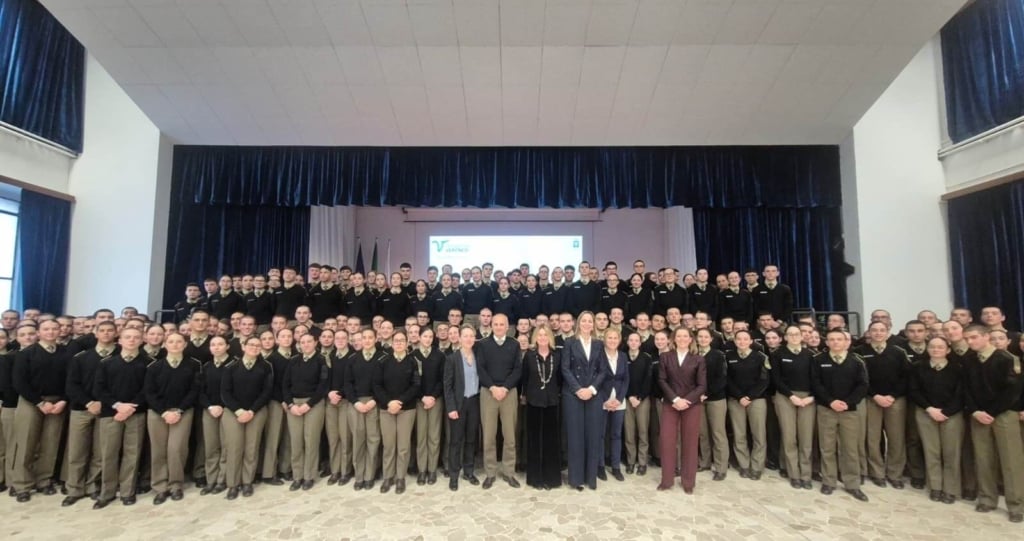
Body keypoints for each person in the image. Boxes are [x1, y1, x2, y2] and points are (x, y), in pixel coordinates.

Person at [962, 325, 1024, 522]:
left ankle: (1016, 504)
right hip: (979, 415)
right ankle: (987, 498)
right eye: (967, 338)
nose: (970, 342)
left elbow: (1012, 391)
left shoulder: (1006, 358)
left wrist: (991, 412)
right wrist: (975, 411)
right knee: (983, 457)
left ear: (986, 337)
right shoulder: (968, 359)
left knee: (1011, 460)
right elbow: (966, 389)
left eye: (973, 338)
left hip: (1003, 414)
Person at [11, 319, 70, 502]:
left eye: (54, 329)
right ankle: (22, 484)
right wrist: (39, 402)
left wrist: (63, 400)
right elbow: (19, 382)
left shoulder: (66, 353)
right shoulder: (27, 354)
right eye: (46, 329)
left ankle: (44, 481)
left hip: (57, 403)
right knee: (26, 444)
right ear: (38, 332)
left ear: (59, 331)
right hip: (32, 402)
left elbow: (71, 380)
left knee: (50, 444)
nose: (50, 332)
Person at [92, 327, 149, 508]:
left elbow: (147, 390)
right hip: (111, 414)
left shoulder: (148, 363)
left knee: (132, 454)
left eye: (136, 337)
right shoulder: (107, 363)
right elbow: (100, 389)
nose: (132, 340)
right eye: (128, 337)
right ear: (120, 340)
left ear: (142, 340)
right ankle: (106, 492)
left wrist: (130, 408)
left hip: (136, 413)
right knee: (108, 453)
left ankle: (127, 491)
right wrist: (118, 406)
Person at [61, 321, 116, 506]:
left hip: (107, 410)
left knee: (100, 452)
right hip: (81, 409)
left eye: (110, 330)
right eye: (102, 330)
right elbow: (71, 385)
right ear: (95, 333)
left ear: (116, 333)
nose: (106, 334)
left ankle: (92, 485)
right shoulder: (81, 357)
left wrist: (104, 402)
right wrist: (89, 402)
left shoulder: (119, 356)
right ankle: (75, 488)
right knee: (77, 451)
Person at [812, 329, 870, 502]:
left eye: (839, 339)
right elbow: (816, 383)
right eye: (832, 339)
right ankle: (829, 481)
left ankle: (852, 483)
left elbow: (863, 385)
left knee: (850, 448)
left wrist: (847, 402)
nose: (836, 342)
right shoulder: (818, 360)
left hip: (849, 411)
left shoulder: (857, 361)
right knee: (827, 447)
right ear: (827, 342)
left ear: (847, 342)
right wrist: (830, 402)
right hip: (826, 409)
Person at [854, 321, 913, 489]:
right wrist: (875, 395)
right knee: (872, 438)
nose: (878, 333)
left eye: (882, 330)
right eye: (874, 330)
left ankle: (895, 474)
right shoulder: (859, 352)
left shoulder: (898, 352)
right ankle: (876, 472)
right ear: (869, 332)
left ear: (888, 332)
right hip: (871, 399)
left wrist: (892, 396)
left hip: (895, 400)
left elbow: (906, 377)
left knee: (896, 438)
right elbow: (860, 379)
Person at [145, 332, 202, 505]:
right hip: (158, 413)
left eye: (179, 342)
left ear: (185, 345)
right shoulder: (154, 366)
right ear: (165, 344)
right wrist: (164, 412)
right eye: (171, 341)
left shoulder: (193, 365)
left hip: (182, 412)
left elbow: (194, 390)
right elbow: (149, 392)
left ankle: (176, 484)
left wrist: (179, 410)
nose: (175, 344)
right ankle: (160, 487)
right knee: (159, 450)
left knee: (176, 449)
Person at [909, 336, 964, 504]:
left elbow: (961, 393)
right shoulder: (918, 367)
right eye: (932, 346)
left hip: (952, 415)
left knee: (951, 452)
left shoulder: (958, 368)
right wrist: (930, 409)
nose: (936, 350)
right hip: (926, 412)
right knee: (931, 451)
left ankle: (950, 489)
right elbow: (914, 390)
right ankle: (935, 486)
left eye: (940, 347)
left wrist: (946, 412)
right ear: (927, 349)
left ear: (948, 350)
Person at [220, 337, 273, 499]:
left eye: (258, 345)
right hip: (233, 412)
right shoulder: (231, 367)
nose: (254, 348)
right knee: (234, 448)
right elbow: (225, 392)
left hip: (256, 411)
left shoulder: (265, 367)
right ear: (243, 346)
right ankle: (233, 484)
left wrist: (251, 411)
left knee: (252, 447)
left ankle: (247, 481)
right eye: (251, 345)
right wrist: (238, 411)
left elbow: (266, 391)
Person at [562, 312, 608, 491]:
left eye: (590, 321)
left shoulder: (598, 344)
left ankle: (591, 477)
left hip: (593, 395)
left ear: (594, 324)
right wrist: (578, 389)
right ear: (578, 323)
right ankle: (576, 479)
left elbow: (603, 371)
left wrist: (591, 389)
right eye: (584, 321)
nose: (587, 324)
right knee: (575, 437)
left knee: (593, 435)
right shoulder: (569, 343)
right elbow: (565, 369)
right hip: (573, 394)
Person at [475, 313, 522, 489]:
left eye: (502, 324)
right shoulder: (483, 345)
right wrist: (493, 388)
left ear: (508, 326)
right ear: (491, 325)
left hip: (508, 393)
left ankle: (509, 472)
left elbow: (518, 369)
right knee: (488, 436)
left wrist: (505, 388)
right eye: (496, 324)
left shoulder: (514, 344)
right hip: (489, 393)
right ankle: (490, 473)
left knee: (509, 436)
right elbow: (480, 369)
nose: (499, 327)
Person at [657, 327, 706, 493]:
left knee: (690, 442)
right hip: (671, 403)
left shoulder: (698, 359)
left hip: (691, 405)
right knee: (667, 441)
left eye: (686, 336)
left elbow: (702, 385)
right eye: (679, 336)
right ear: (673, 339)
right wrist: (676, 399)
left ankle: (688, 482)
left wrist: (687, 400)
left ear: (691, 339)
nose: (682, 338)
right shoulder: (665, 357)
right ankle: (667, 480)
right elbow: (662, 380)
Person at [772, 325, 816, 490]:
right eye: (790, 334)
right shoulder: (778, 354)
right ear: (785, 337)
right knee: (789, 437)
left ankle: (806, 474)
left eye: (797, 334)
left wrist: (810, 397)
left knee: (806, 438)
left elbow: (816, 379)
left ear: (802, 336)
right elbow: (776, 379)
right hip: (786, 397)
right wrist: (791, 396)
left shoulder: (811, 355)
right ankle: (794, 474)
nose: (794, 337)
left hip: (807, 399)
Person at [282, 333, 329, 491]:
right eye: (303, 342)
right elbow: (285, 385)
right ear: (299, 344)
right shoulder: (294, 361)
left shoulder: (321, 360)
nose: (306, 344)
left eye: (310, 341)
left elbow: (323, 385)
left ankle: (309, 476)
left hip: (313, 404)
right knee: (296, 442)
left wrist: (309, 404)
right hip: (294, 405)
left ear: (316, 342)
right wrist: (290, 404)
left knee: (311, 441)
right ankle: (297, 476)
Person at [375, 331, 419, 494]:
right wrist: (389, 402)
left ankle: (400, 477)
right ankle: (388, 477)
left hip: (406, 409)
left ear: (407, 343)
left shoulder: (413, 362)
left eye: (402, 340)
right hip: (386, 409)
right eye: (396, 341)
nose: (399, 343)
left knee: (403, 446)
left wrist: (400, 402)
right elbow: (377, 385)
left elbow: (416, 385)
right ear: (392, 343)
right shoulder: (383, 361)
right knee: (388, 445)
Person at [726, 330, 770, 480]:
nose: (742, 342)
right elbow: (727, 379)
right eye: (739, 339)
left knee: (758, 434)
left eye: (745, 339)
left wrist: (750, 396)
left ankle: (757, 466)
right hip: (735, 400)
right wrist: (739, 397)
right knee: (739, 434)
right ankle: (743, 465)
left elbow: (764, 380)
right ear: (735, 340)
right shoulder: (728, 357)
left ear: (751, 341)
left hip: (756, 400)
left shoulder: (760, 357)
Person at [522, 325, 561, 490]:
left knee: (551, 441)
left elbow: (560, 379)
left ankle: (551, 478)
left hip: (552, 402)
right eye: (540, 335)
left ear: (550, 337)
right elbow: (524, 378)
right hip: (534, 402)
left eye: (546, 335)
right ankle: (535, 478)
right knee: (534, 440)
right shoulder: (529, 357)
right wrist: (525, 395)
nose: (543, 337)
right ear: (535, 337)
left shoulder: (557, 356)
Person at [346, 329, 385, 491]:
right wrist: (355, 402)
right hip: (356, 404)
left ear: (376, 339)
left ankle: (370, 474)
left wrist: (374, 401)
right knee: (358, 440)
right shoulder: (353, 359)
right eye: (364, 338)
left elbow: (385, 383)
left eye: (370, 337)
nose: (367, 340)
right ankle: (359, 475)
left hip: (374, 402)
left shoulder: (382, 358)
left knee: (373, 439)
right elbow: (347, 384)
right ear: (359, 340)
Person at [444, 326, 482, 491]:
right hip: (459, 404)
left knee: (471, 439)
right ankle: (454, 475)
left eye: (471, 336)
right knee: (456, 440)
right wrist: (451, 407)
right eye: (465, 336)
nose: (468, 339)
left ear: (474, 338)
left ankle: (468, 471)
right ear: (459, 338)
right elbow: (448, 386)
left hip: (474, 402)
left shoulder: (478, 357)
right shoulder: (452, 359)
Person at [197, 336, 231, 496]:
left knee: (226, 446)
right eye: (213, 345)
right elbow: (200, 391)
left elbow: (235, 390)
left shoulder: (233, 365)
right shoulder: (206, 366)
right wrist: (210, 406)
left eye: (220, 344)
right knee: (211, 446)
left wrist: (224, 406)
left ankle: (222, 479)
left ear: (227, 346)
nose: (216, 347)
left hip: (228, 410)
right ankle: (211, 479)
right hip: (209, 410)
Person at [413, 328, 445, 486]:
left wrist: (433, 397)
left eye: (430, 336)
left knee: (433, 436)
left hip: (435, 400)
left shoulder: (439, 355)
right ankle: (421, 470)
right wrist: (422, 397)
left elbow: (442, 379)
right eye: (425, 336)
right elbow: (411, 381)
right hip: (419, 400)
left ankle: (432, 469)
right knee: (421, 436)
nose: (427, 339)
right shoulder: (413, 355)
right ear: (419, 337)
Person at [695, 327, 729, 481]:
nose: (702, 339)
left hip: (715, 399)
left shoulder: (718, 355)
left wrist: (706, 394)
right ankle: (705, 462)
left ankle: (721, 467)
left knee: (718, 433)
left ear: (711, 339)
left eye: (705, 337)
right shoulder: (693, 354)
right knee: (702, 433)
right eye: (700, 337)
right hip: (697, 400)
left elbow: (721, 378)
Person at [325, 330, 354, 486]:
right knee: (333, 437)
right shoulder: (329, 357)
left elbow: (351, 380)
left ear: (348, 339)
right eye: (338, 338)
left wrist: (340, 394)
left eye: (344, 338)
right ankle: (335, 470)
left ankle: (345, 470)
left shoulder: (353, 357)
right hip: (331, 402)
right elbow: (324, 380)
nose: (341, 340)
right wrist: (329, 393)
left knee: (345, 437)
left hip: (345, 401)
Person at [601, 329, 629, 481]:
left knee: (616, 434)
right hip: (602, 400)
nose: (612, 340)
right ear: (604, 340)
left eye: (615, 338)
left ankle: (616, 466)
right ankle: (600, 466)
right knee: (600, 434)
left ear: (619, 340)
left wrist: (619, 398)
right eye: (609, 338)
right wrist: (605, 399)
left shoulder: (623, 356)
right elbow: (597, 378)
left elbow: (626, 379)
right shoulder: (599, 355)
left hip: (619, 400)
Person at [623, 331, 653, 476]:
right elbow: (622, 379)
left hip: (642, 400)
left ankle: (642, 462)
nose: (634, 343)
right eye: (631, 340)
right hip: (627, 399)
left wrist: (639, 397)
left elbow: (649, 379)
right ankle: (630, 461)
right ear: (627, 342)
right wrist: (630, 397)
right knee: (629, 432)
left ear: (640, 343)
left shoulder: (646, 358)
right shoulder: (622, 357)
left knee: (642, 432)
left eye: (636, 340)